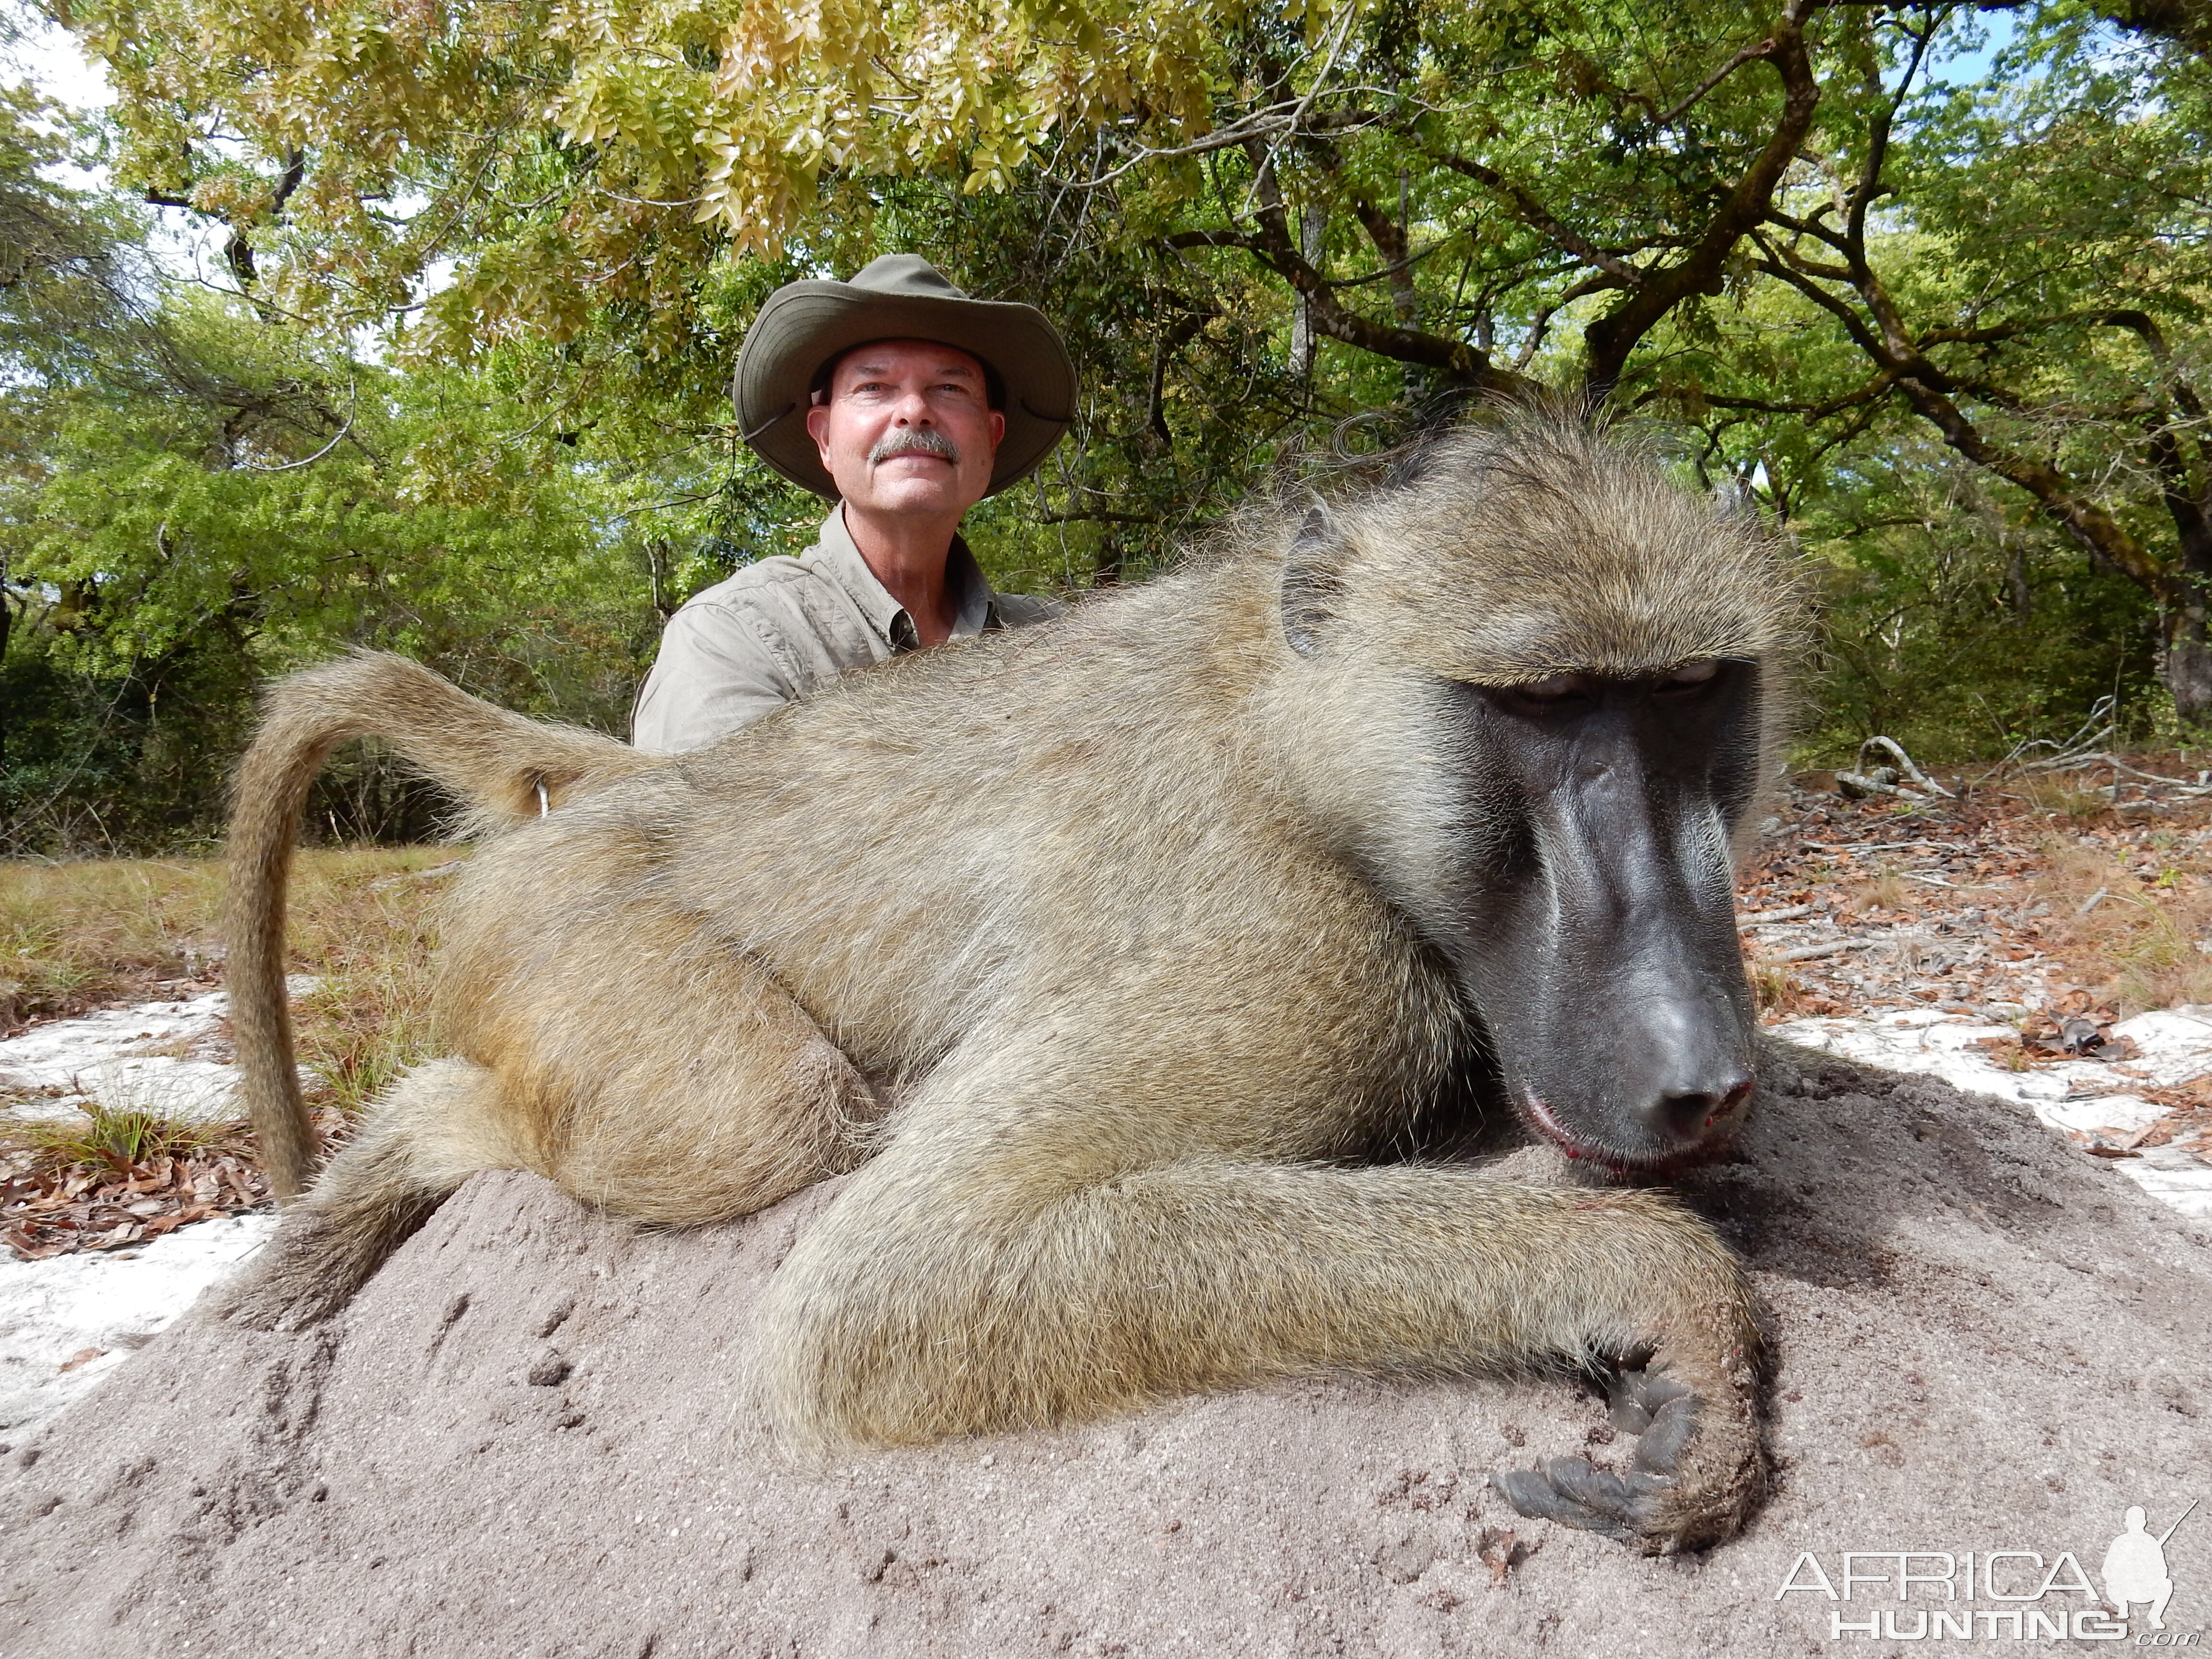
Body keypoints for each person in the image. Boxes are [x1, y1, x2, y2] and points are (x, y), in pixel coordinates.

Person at [631, 255, 1077, 753]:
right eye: (874, 389)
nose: (914, 412)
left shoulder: (1056, 644)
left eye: (949, 389)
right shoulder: (732, 636)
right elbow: (708, 829)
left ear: (991, 439)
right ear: (824, 438)